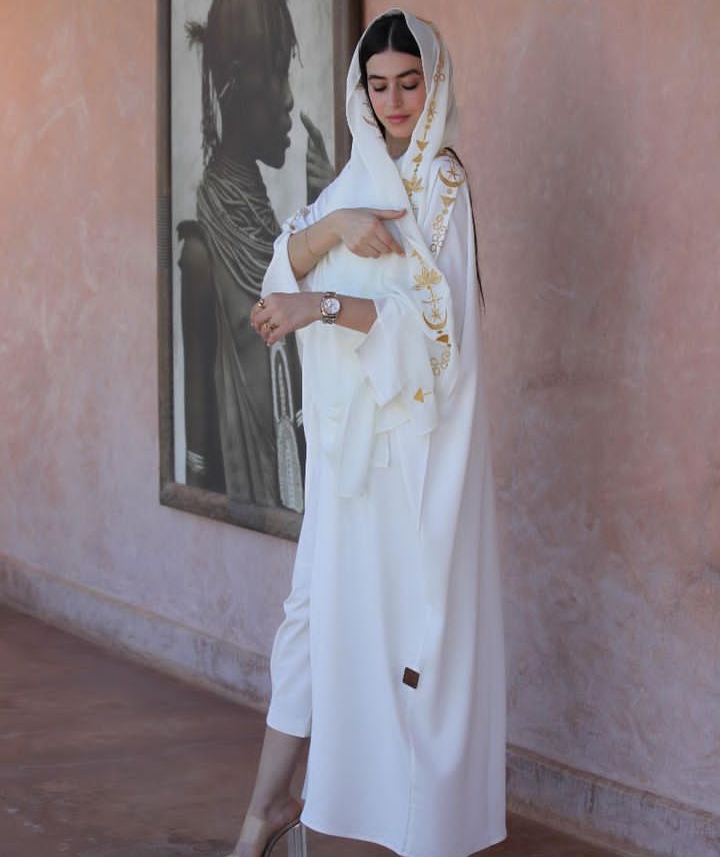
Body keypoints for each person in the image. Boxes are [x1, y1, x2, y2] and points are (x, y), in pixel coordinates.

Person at [226, 8, 507, 857]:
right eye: (378, 86)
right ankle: (266, 812)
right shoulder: (355, 179)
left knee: (408, 641)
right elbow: (275, 277)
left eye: (409, 84)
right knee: (311, 617)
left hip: (413, 457)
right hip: (347, 454)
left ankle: (416, 827)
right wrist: (333, 233)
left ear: (435, 83)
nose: (394, 103)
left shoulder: (444, 188)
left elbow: (438, 337)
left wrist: (322, 303)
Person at [178, 0, 334, 509]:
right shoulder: (201, 252)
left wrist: (324, 212)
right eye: (276, 74)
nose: (289, 100)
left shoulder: (268, 232)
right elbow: (199, 454)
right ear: (236, 84)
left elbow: (313, 331)